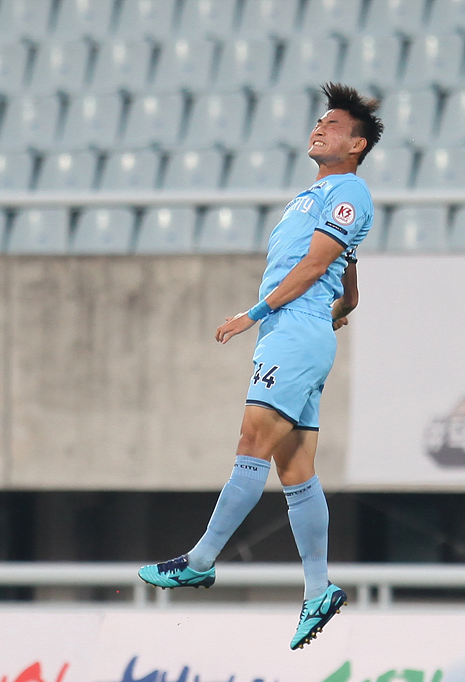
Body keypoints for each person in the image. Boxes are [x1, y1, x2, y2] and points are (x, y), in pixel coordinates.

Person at [138, 83, 383, 651]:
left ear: (357, 145)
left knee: (252, 442)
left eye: (332, 125)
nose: (318, 129)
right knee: (295, 468)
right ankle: (318, 589)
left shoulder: (349, 191)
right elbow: (346, 282)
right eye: (319, 121)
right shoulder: (315, 196)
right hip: (299, 332)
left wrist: (253, 315)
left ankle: (200, 560)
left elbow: (316, 264)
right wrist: (333, 314)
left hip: (290, 331)